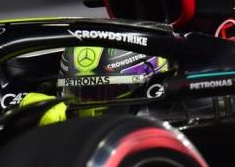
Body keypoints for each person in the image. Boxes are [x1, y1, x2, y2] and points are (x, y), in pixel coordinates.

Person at [18, 46, 170, 125]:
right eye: (80, 93)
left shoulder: (180, 113)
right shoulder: (52, 117)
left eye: (106, 91)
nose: (89, 106)